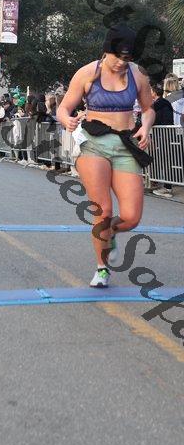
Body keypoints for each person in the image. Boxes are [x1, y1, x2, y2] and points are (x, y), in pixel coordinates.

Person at [57, 23, 154, 288]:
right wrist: (66, 120)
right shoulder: (88, 73)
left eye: (128, 58)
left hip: (125, 146)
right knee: (104, 210)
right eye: (118, 57)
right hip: (94, 144)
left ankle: (109, 234)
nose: (122, 62)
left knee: (132, 217)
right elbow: (63, 108)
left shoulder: (137, 74)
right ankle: (102, 269)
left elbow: (148, 108)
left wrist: (145, 127)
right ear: (106, 50)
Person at [150, 83, 174, 199]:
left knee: (165, 160)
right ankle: (160, 184)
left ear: (154, 93)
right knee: (164, 160)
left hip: (163, 136)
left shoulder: (158, 105)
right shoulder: (164, 103)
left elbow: (154, 119)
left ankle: (167, 188)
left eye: (151, 91)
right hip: (165, 135)